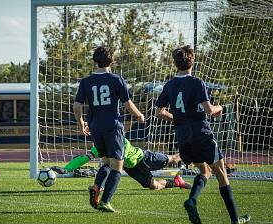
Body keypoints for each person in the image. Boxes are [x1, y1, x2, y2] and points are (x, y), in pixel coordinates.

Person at [155, 45, 250, 224]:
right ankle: (235, 220)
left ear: (175, 63)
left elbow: (159, 112)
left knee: (204, 171)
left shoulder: (169, 85)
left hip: (183, 137)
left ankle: (192, 200)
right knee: (222, 174)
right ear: (193, 61)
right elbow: (208, 110)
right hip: (201, 133)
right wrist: (220, 107)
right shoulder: (197, 82)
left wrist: (178, 119)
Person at [73, 46, 145, 212]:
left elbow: (77, 106)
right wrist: (139, 115)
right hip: (112, 126)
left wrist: (81, 122)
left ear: (95, 61)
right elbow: (127, 104)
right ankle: (105, 202)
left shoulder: (86, 82)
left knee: (105, 162)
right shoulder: (116, 79)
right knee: (117, 167)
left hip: (95, 127)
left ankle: (96, 186)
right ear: (111, 61)